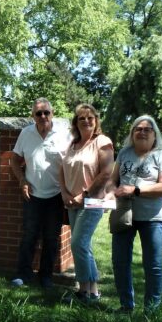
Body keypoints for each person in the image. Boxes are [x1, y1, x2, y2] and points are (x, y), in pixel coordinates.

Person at [107, 115, 162, 313]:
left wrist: (134, 190)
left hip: (152, 218)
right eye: (138, 128)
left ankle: (151, 312)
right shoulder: (125, 153)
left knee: (153, 266)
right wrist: (111, 192)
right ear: (132, 133)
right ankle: (126, 306)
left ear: (155, 135)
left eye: (147, 129)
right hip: (123, 214)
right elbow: (113, 180)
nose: (142, 132)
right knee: (120, 261)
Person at [9, 97, 71, 288]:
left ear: (52, 113)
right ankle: (23, 274)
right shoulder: (26, 134)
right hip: (32, 195)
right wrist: (22, 180)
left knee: (51, 238)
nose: (43, 116)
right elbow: (14, 161)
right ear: (33, 115)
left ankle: (46, 277)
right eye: (38, 113)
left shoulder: (64, 134)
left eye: (46, 112)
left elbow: (73, 164)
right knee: (29, 236)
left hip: (56, 196)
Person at [59, 104, 114, 303]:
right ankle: (93, 292)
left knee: (78, 244)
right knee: (84, 245)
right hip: (72, 202)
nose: (86, 121)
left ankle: (83, 291)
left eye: (90, 117)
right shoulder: (72, 144)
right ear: (76, 122)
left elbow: (106, 172)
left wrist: (84, 195)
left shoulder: (102, 141)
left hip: (93, 201)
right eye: (81, 118)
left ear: (96, 120)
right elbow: (62, 169)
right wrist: (65, 193)